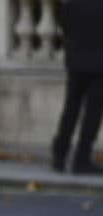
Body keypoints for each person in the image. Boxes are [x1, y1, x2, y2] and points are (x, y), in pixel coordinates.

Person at [51, 0, 103, 175]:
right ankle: (81, 159)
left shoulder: (71, 4)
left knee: (71, 108)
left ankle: (59, 154)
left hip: (76, 61)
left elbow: (64, 26)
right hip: (99, 65)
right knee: (92, 114)